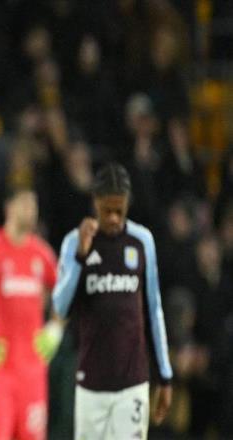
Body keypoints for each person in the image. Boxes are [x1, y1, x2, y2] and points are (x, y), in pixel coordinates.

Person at [52, 162, 173, 440]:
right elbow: (60, 307)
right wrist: (80, 258)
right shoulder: (74, 242)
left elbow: (154, 309)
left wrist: (164, 375)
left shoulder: (142, 241)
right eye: (107, 210)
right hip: (90, 384)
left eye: (120, 210)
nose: (114, 218)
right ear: (95, 202)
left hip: (133, 384)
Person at [0, 187, 62, 440]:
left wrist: (55, 328)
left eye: (33, 204)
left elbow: (65, 290)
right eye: (25, 203)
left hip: (33, 374)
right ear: (9, 207)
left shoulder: (42, 253)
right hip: (0, 372)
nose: (31, 210)